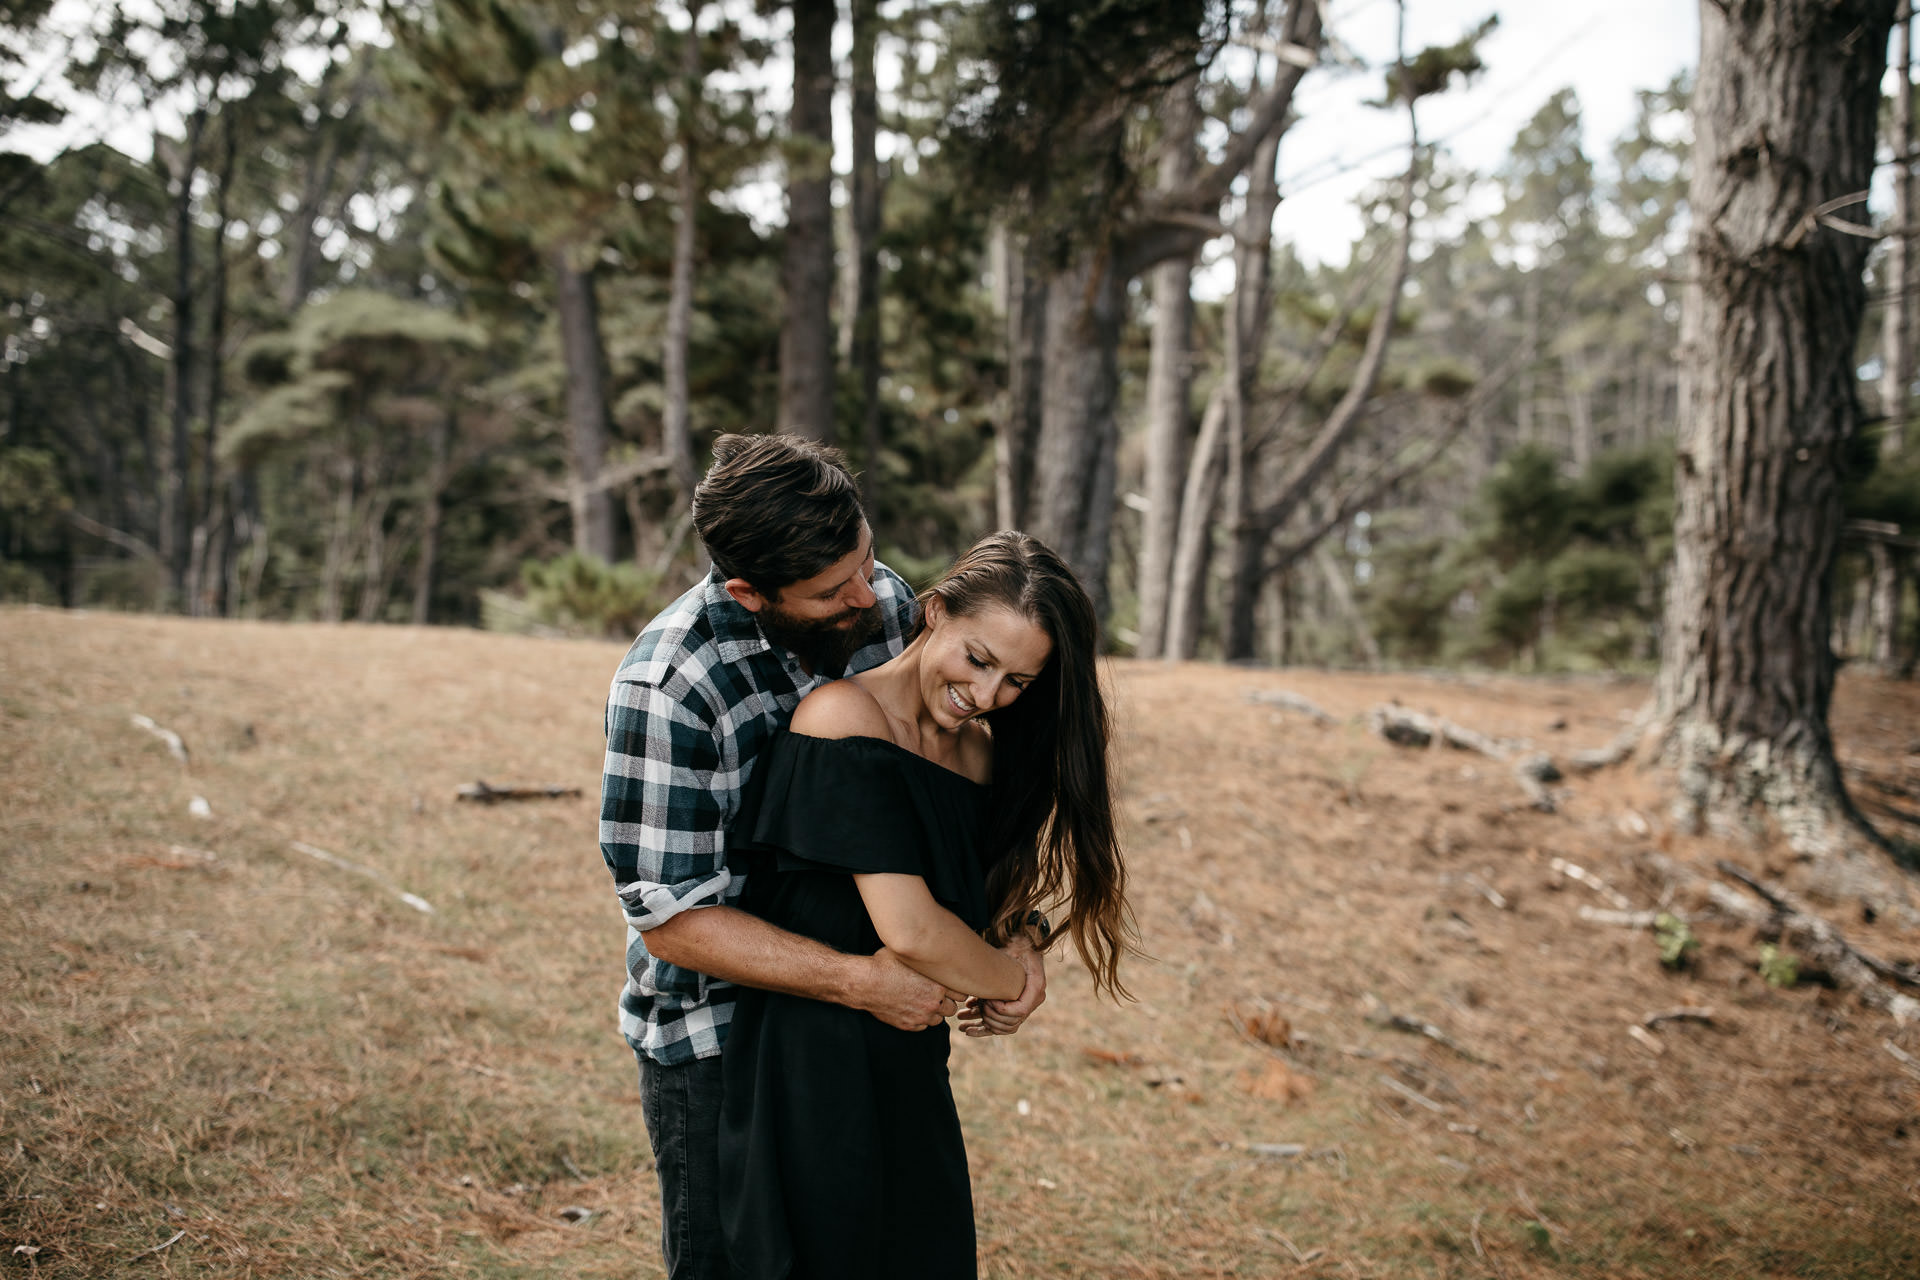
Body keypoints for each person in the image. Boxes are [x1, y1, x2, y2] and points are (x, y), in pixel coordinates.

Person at [598, 434, 1049, 1280]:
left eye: (866, 561)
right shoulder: (671, 686)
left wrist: (1020, 933)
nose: (868, 598)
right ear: (748, 591)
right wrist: (860, 980)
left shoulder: (883, 606)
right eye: (829, 591)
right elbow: (673, 922)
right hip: (718, 1043)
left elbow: (947, 809)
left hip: (875, 1043)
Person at [717, 530, 1133, 1280]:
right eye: (978, 659)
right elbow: (910, 929)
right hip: (812, 1063)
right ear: (934, 612)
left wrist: (1027, 936)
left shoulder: (979, 754)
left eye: (1016, 682)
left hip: (910, 1051)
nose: (985, 695)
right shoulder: (842, 720)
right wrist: (1014, 984)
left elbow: (988, 901)